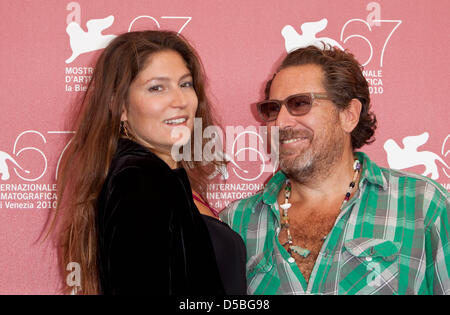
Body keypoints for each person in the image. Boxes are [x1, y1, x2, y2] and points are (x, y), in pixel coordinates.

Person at [220, 45, 450, 295]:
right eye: (273, 109)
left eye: (299, 103)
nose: (281, 122)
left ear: (349, 115)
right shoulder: (236, 222)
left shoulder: (423, 206)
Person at [52, 30, 246, 295]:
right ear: (119, 106)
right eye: (157, 88)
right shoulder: (140, 179)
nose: (179, 101)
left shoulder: (158, 176)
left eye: (185, 84)